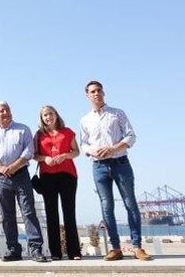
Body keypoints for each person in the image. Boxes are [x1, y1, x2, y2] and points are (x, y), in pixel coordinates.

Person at [80, 80, 152, 261]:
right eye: (93, 91)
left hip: (120, 163)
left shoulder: (117, 113)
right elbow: (83, 144)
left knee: (130, 203)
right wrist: (92, 151)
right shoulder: (84, 120)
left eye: (99, 90)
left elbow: (131, 136)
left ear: (103, 92)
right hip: (99, 166)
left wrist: (113, 148)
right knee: (106, 206)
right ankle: (115, 248)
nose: (96, 94)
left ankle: (137, 247)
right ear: (87, 95)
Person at [0, 101, 48, 263]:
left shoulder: (23, 129)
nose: (6, 112)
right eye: (2, 110)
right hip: (0, 178)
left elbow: (29, 151)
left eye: (7, 109)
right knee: (7, 215)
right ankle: (13, 248)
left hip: (20, 176)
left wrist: (12, 166)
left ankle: (35, 248)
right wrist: (1, 168)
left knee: (28, 211)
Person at [33, 106, 82, 260]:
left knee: (69, 213)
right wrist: (44, 158)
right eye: (45, 115)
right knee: (51, 214)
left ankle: (74, 252)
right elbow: (34, 155)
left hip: (68, 175)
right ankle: (55, 253)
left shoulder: (67, 132)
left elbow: (77, 151)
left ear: (56, 115)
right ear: (42, 118)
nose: (48, 117)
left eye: (51, 114)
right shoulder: (39, 135)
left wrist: (65, 156)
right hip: (47, 176)